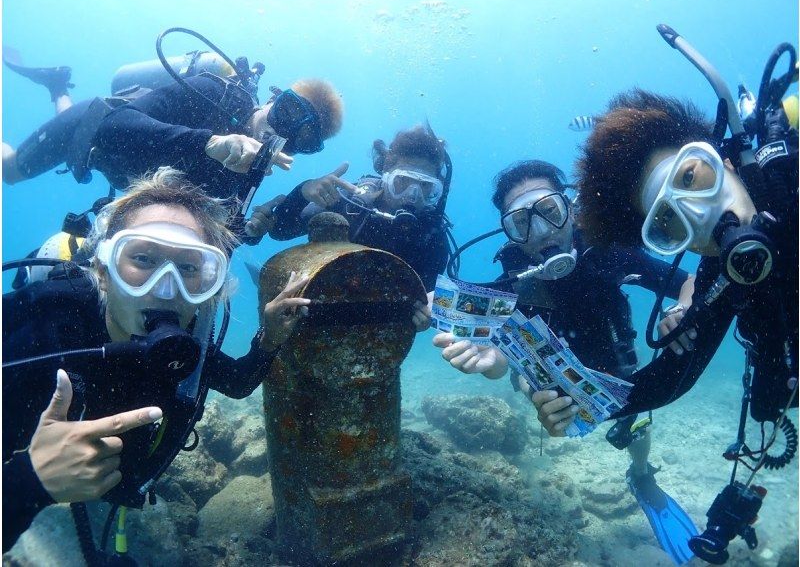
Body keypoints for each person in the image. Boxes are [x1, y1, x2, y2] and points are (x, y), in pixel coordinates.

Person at [2, 167, 311, 551]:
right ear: (103, 270)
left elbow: (236, 384)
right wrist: (29, 483)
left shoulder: (187, 349)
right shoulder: (35, 338)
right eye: (144, 259)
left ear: (211, 286)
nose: (166, 289)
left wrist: (271, 337)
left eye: (189, 268)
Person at [433, 159, 698, 564]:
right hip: (551, 378)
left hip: (619, 365)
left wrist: (680, 312)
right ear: (511, 235)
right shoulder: (514, 280)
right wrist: (497, 363)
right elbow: (503, 360)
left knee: (637, 421)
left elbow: (688, 283)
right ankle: (553, 409)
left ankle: (641, 475)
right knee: (540, 392)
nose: (540, 232)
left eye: (549, 212)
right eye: (521, 223)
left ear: (571, 209)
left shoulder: (611, 253)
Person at [575, 88, 798, 422]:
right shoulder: (723, 277)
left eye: (690, 177)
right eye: (668, 220)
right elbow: (668, 382)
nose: (698, 214)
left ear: (722, 160)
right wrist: (580, 405)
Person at [2, 58, 344, 243]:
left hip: (118, 168)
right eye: (285, 112)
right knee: (10, 169)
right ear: (273, 98)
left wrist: (292, 199)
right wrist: (211, 144)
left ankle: (58, 84)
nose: (279, 130)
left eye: (300, 139)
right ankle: (58, 88)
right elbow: (110, 125)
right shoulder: (213, 93)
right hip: (96, 130)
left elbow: (233, 231)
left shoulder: (253, 165)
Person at [269, 124, 454, 330]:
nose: (412, 195)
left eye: (426, 186)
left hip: (369, 341)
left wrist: (430, 313)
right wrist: (303, 191)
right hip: (303, 322)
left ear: (437, 191)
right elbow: (280, 231)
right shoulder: (351, 205)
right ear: (385, 175)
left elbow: (427, 299)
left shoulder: (432, 239)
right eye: (402, 182)